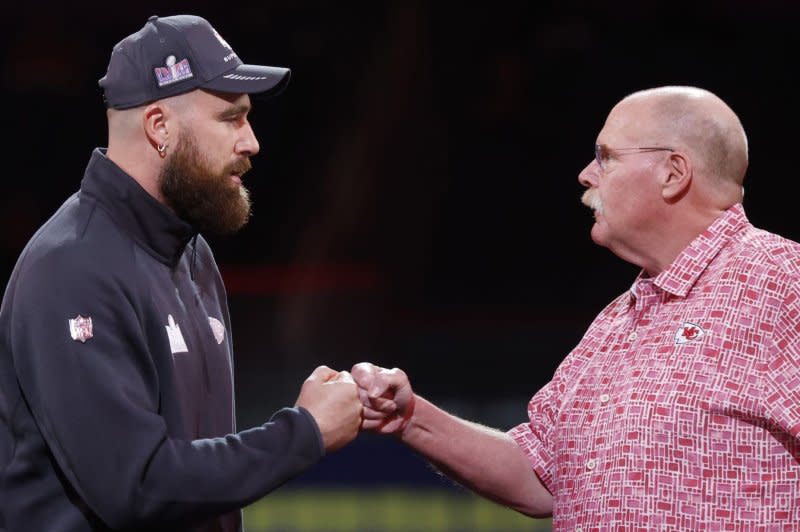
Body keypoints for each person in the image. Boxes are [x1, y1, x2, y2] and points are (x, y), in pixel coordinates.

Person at [352, 85, 800, 529]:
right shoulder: (615, 322)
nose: (587, 174)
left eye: (606, 156)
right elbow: (539, 476)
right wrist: (409, 418)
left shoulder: (782, 281)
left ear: (673, 172)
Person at [0, 14, 362, 532]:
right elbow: (136, 486)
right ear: (159, 127)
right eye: (231, 118)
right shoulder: (70, 269)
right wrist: (303, 433)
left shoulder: (193, 256)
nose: (252, 142)